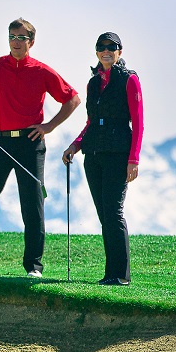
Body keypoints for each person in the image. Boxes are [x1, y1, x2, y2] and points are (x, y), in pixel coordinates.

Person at [0, 18, 81, 277]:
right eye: (12, 37)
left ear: (31, 42)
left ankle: (33, 267)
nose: (15, 42)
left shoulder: (42, 71)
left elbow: (72, 99)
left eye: (21, 38)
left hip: (31, 143)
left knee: (32, 205)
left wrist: (49, 126)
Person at [62, 32, 143, 286]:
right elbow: (90, 122)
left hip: (118, 154)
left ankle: (120, 275)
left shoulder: (129, 80)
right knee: (104, 215)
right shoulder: (93, 82)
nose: (106, 51)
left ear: (120, 51)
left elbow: (138, 123)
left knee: (114, 213)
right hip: (93, 153)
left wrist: (134, 159)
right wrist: (75, 145)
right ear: (96, 51)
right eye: (101, 47)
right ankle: (110, 275)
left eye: (112, 47)